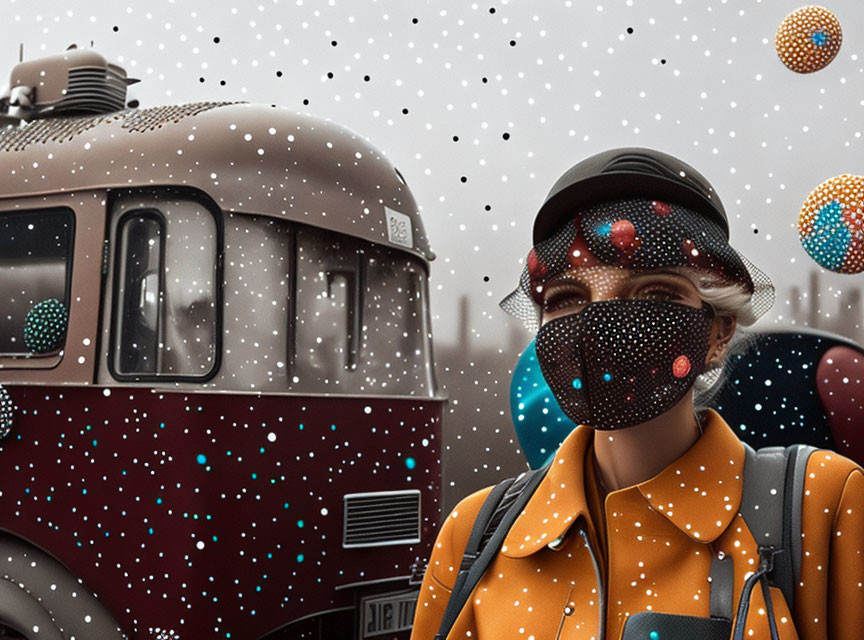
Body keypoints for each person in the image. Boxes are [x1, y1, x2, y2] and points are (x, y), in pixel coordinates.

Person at [410, 147, 864, 640]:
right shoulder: (476, 533)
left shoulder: (821, 505)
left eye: (655, 294)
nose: (601, 325)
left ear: (720, 332)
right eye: (567, 299)